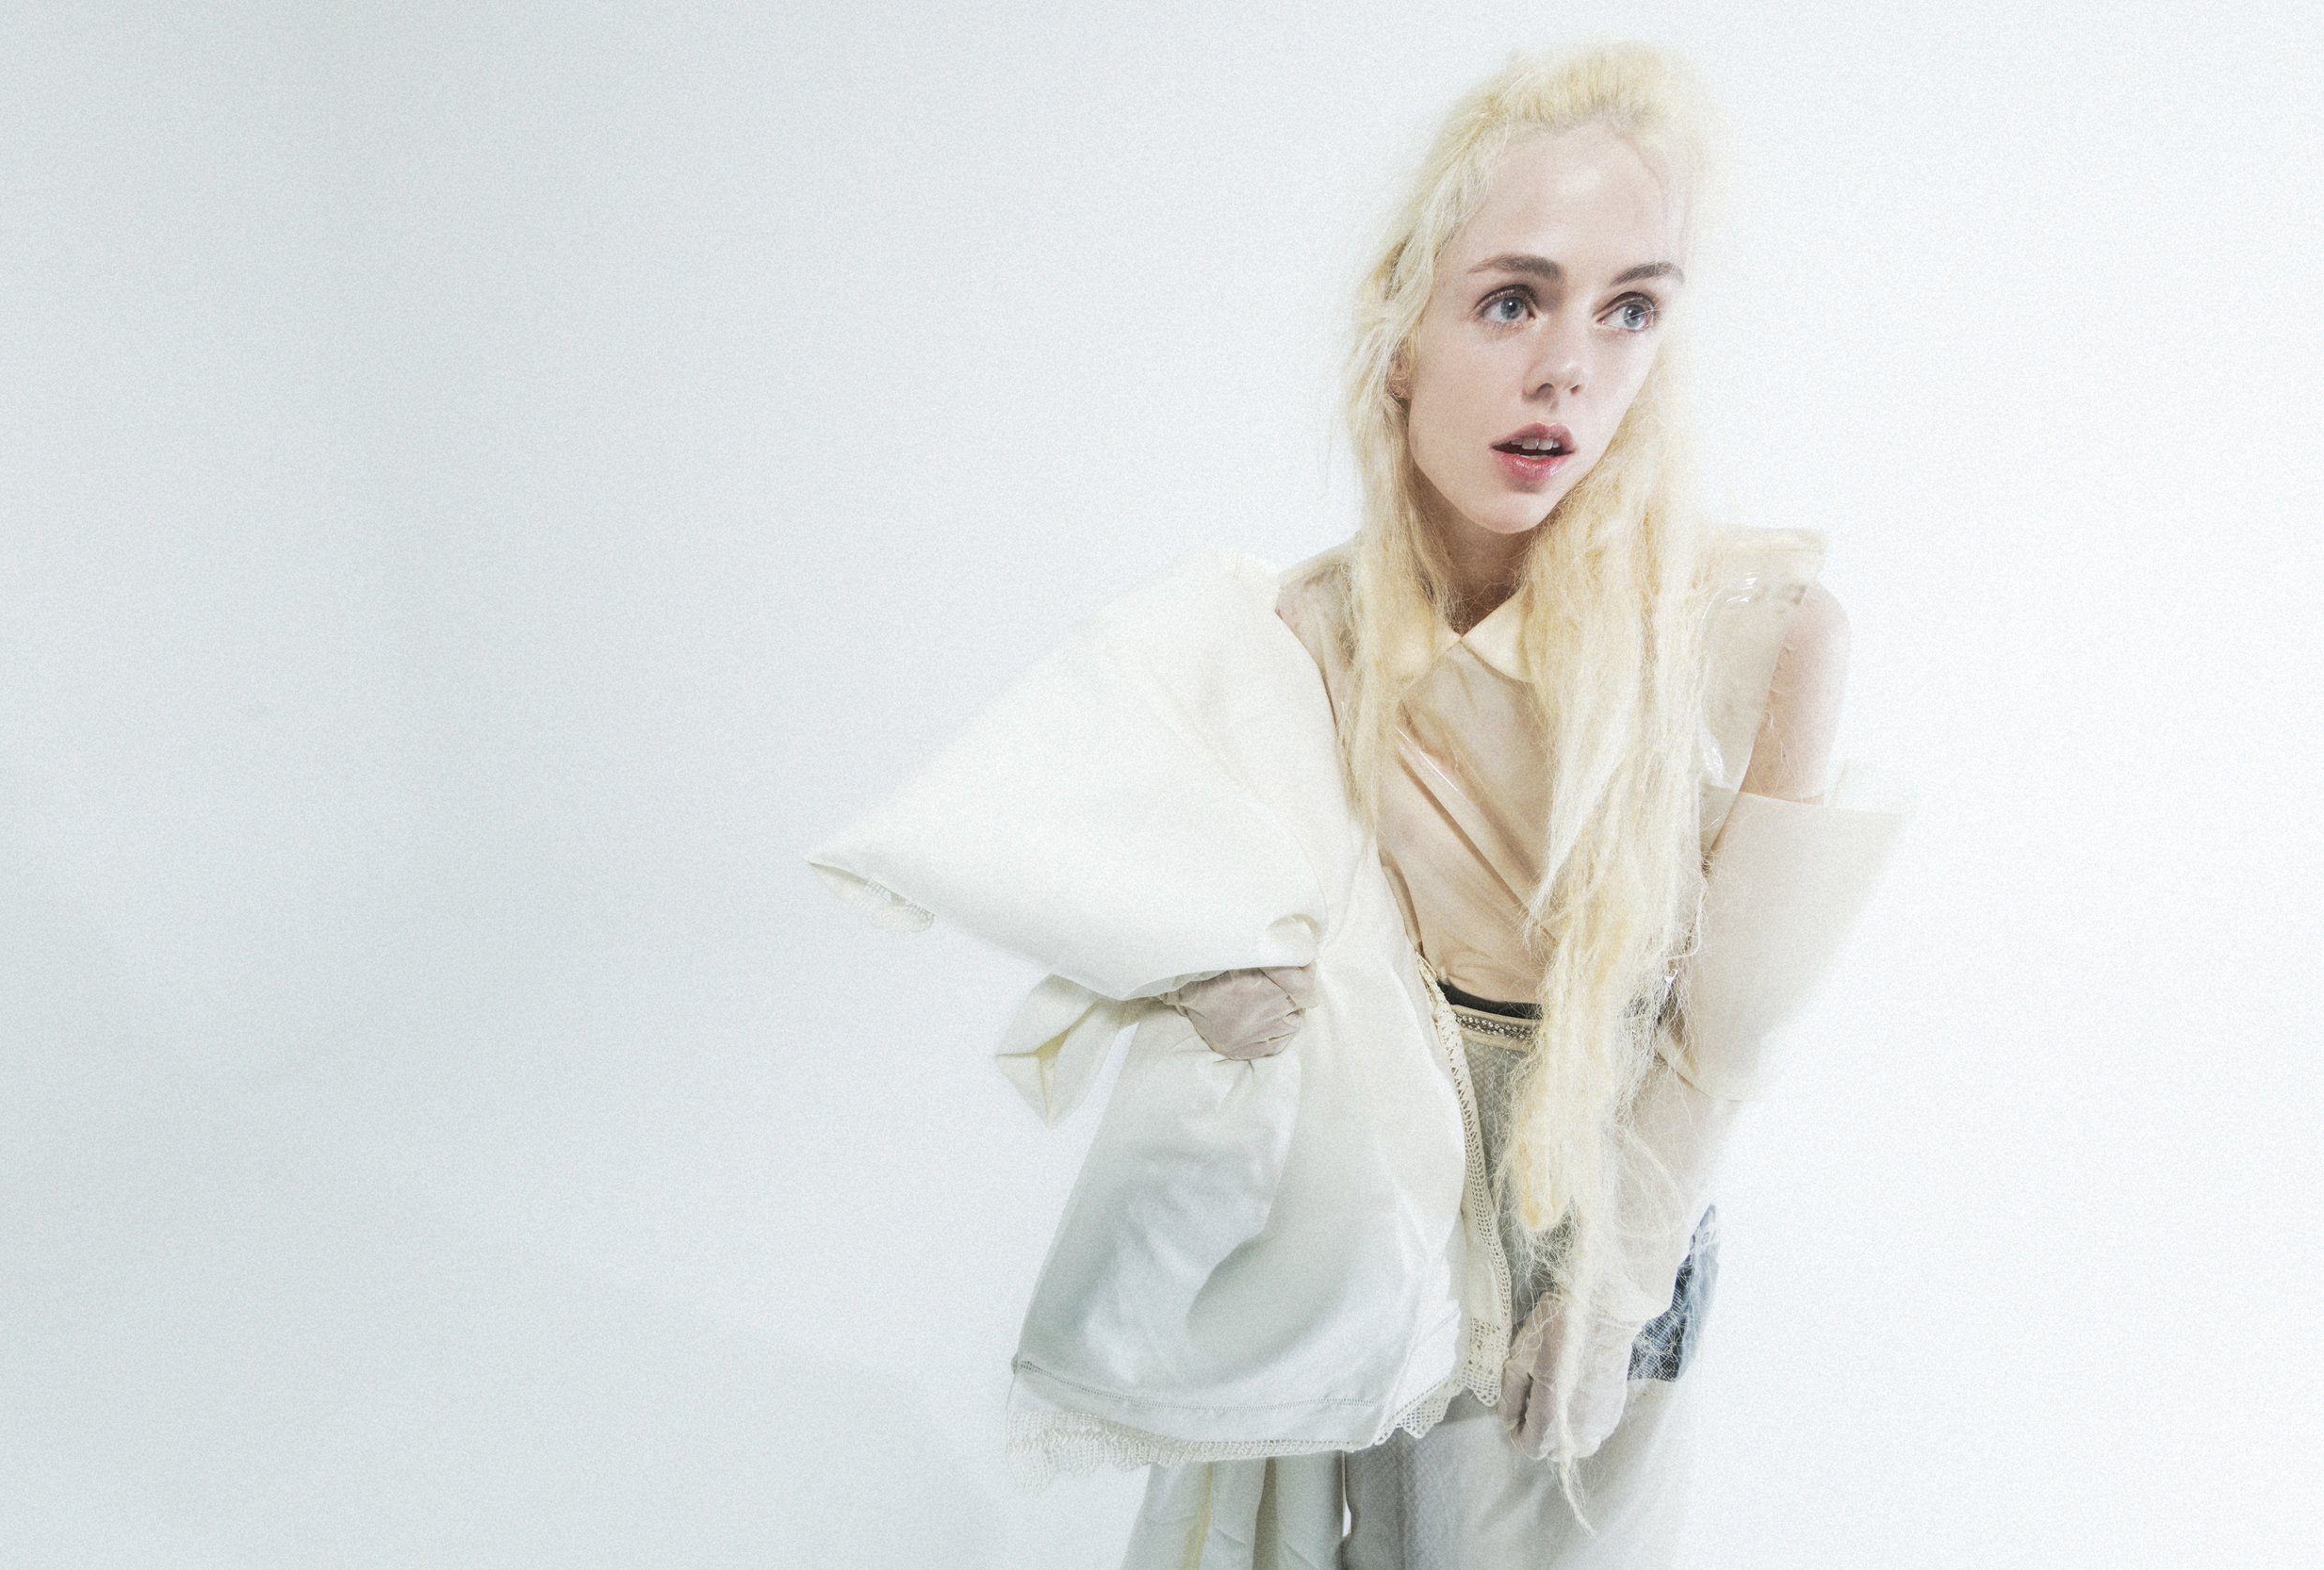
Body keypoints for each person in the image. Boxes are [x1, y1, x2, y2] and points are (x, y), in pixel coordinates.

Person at [810, 40, 1911, 1569]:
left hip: (1615, 1195)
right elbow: (1178, 863)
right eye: (1514, 299)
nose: (1568, 373)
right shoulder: (1312, 629)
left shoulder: (1762, 633)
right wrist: (1208, 973)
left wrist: (1617, 1280)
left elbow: (1725, 1037)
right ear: (1404, 331)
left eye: (1631, 309)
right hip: (1389, 1188)